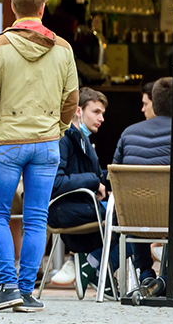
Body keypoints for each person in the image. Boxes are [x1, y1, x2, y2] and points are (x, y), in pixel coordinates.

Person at [0, 0, 79, 313]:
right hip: (47, 143)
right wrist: (59, 128)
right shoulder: (63, 48)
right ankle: (27, 292)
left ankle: (6, 286)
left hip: (8, 141)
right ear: (43, 6)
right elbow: (72, 99)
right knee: (37, 218)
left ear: (12, 6)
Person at [113, 77, 173, 296]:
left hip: (131, 216)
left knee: (136, 203)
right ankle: (168, 278)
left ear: (153, 104)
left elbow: (117, 176)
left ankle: (146, 272)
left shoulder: (128, 133)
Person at [49, 87, 115, 295]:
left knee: (127, 216)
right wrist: (94, 182)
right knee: (127, 220)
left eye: (102, 113)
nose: (102, 118)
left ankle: (87, 265)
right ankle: (91, 264)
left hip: (79, 205)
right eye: (96, 112)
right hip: (63, 209)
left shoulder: (82, 138)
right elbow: (55, 183)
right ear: (78, 111)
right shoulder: (64, 138)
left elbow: (94, 176)